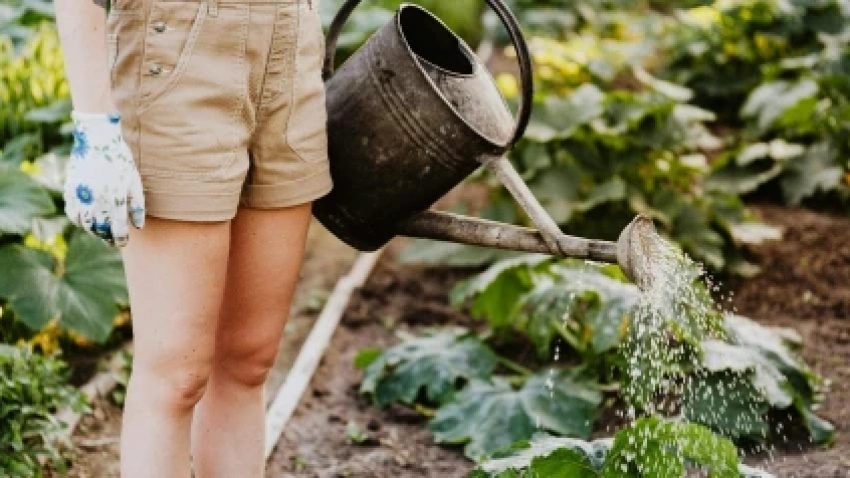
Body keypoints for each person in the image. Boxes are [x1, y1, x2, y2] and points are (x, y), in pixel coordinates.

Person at [55, 0, 333, 475]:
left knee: (249, 360)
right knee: (175, 377)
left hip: (291, 41)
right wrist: (94, 122)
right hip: (177, 45)